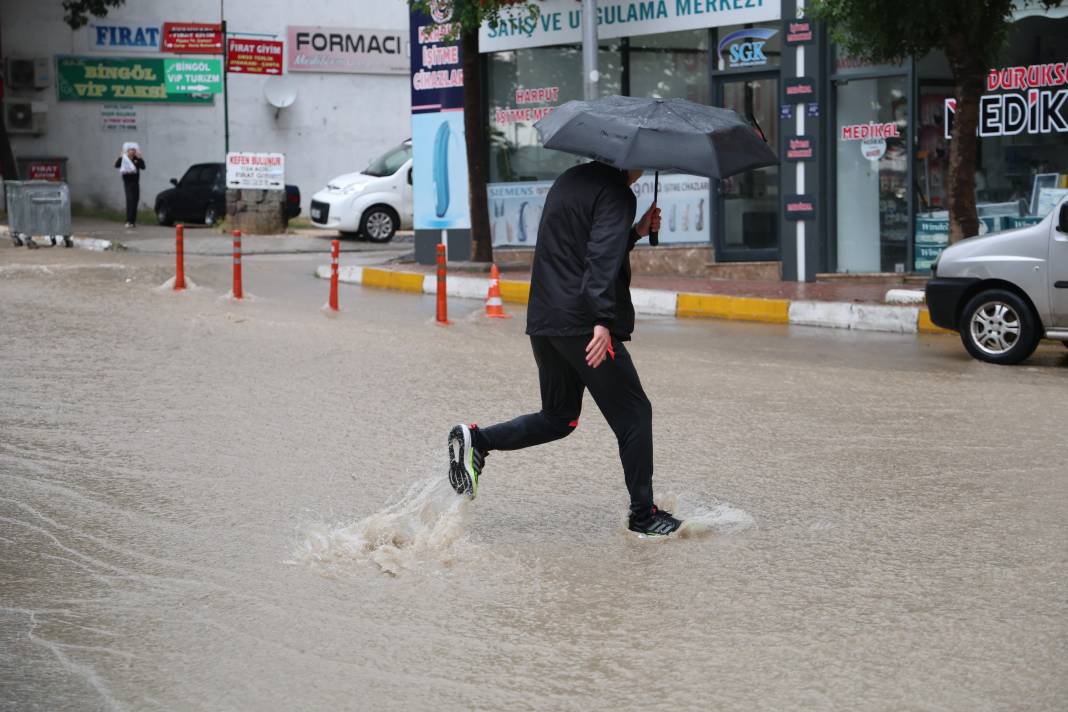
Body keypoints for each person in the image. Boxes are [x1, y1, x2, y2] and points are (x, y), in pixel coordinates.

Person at [447, 161, 682, 536]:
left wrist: (635, 232)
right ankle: (644, 515)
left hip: (545, 318)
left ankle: (479, 439)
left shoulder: (572, 179)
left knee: (559, 417)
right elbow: (600, 259)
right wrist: (603, 320)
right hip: (583, 323)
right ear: (632, 159)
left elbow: (581, 246)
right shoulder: (617, 192)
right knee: (634, 412)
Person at [114, 142, 145, 228]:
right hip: (127, 183)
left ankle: (133, 221)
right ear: (127, 151)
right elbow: (116, 165)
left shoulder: (136, 159)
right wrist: (120, 157)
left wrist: (140, 157)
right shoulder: (124, 159)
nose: (133, 151)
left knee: (135, 201)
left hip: (136, 183)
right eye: (131, 150)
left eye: (134, 150)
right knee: (130, 200)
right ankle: (128, 220)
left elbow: (143, 167)